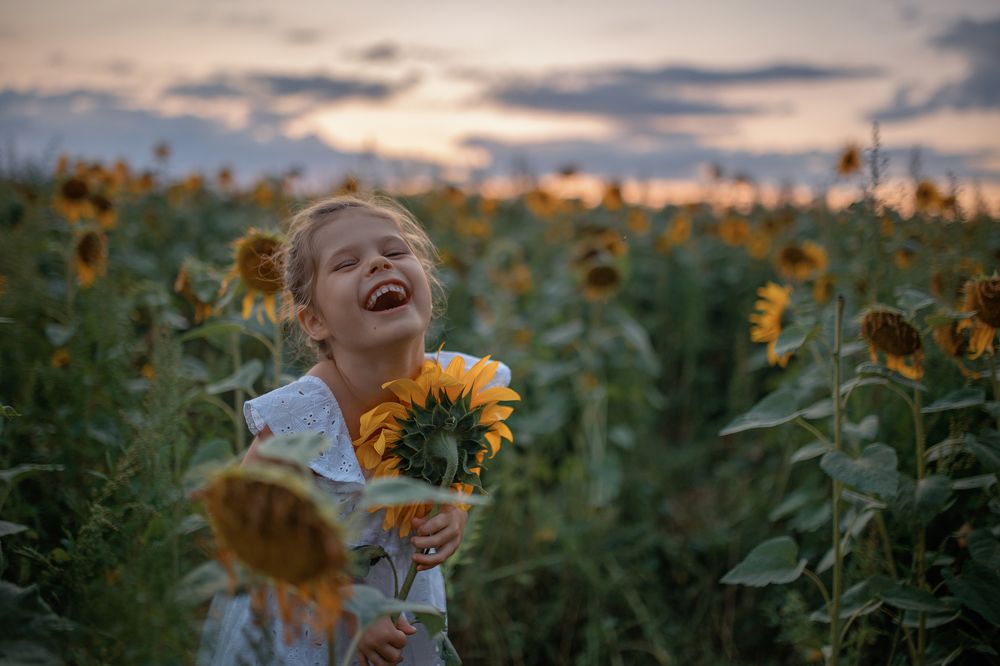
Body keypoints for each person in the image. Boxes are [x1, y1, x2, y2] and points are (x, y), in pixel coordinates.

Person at [198, 194, 511, 665]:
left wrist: (454, 509)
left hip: (404, 613)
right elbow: (248, 523)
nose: (379, 263)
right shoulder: (308, 414)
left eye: (396, 251)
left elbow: (459, 464)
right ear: (315, 320)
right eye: (346, 263)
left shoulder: (455, 391)